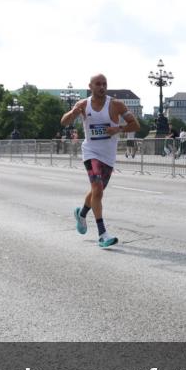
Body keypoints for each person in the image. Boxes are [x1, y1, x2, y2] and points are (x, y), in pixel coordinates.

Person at [60, 74, 140, 248]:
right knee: (97, 189)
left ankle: (81, 214)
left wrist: (118, 128)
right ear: (90, 86)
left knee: (97, 191)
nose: (102, 87)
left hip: (108, 156)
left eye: (104, 84)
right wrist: (73, 113)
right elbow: (64, 122)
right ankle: (103, 234)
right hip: (90, 152)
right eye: (98, 84)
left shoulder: (116, 104)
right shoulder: (82, 104)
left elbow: (135, 125)